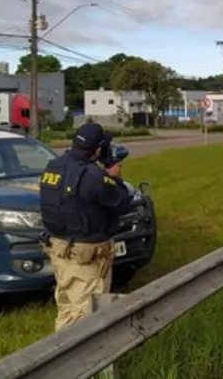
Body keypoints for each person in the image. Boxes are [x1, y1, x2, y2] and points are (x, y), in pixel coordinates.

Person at [39, 122, 132, 332]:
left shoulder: (53, 167)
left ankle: (60, 356)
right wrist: (115, 178)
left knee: (67, 308)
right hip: (87, 258)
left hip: (60, 251)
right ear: (98, 150)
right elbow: (122, 203)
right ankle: (80, 361)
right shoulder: (94, 177)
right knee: (87, 316)